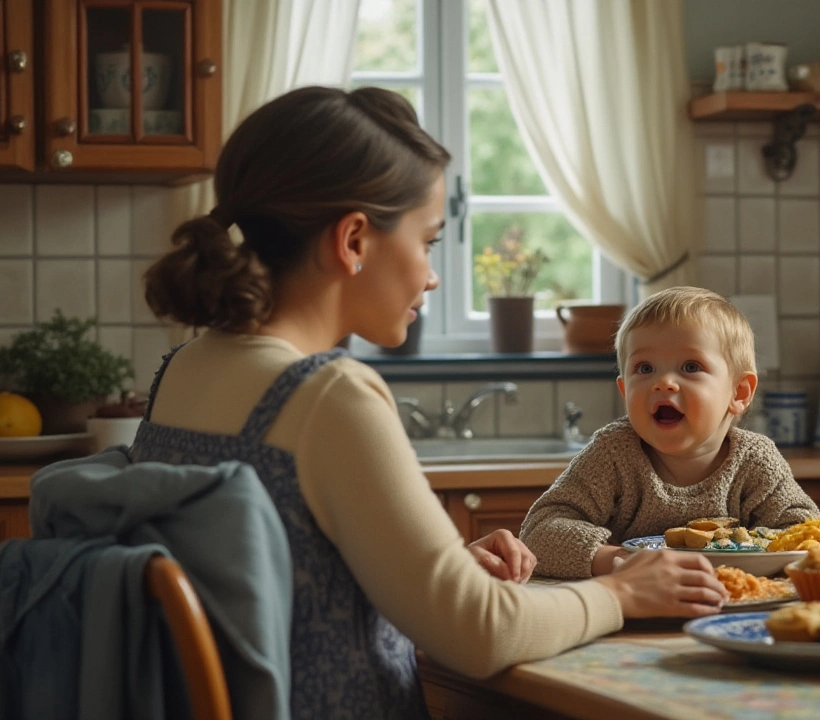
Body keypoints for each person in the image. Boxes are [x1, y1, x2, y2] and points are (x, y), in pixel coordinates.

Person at [134, 86, 727, 720]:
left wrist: (416, 571)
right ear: (354, 240)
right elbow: (482, 633)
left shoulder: (184, 368)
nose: (433, 276)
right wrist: (620, 592)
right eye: (429, 242)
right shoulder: (327, 394)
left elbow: (269, 573)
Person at [519, 286, 820, 580]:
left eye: (690, 366)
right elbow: (539, 532)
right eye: (645, 368)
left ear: (738, 392)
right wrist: (620, 563)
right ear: (625, 391)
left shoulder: (755, 460)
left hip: (734, 605)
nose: (663, 382)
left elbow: (806, 531)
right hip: (633, 611)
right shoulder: (613, 453)